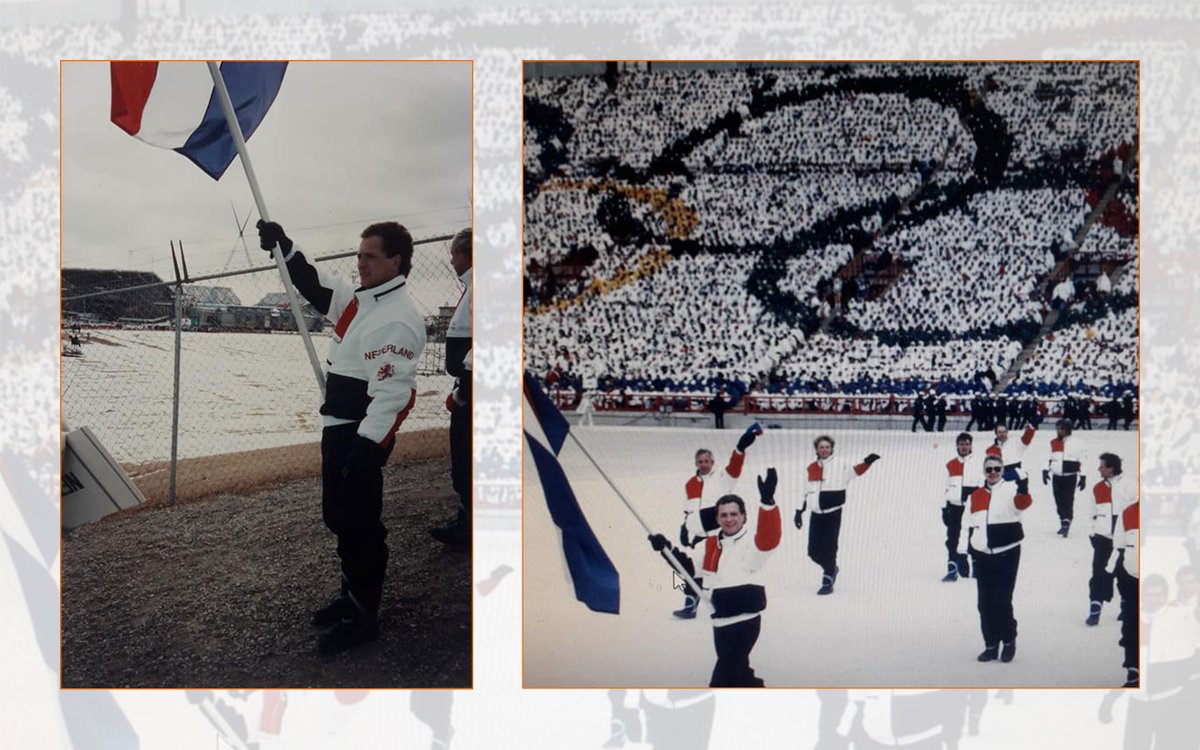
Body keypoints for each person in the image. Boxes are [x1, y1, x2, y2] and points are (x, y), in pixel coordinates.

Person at [257, 219, 426, 655]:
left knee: (361, 524)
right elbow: (317, 286)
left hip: (359, 435)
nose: (360, 262)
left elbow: (393, 394)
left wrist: (367, 449)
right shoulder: (361, 301)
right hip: (338, 427)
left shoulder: (397, 318)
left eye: (370, 256)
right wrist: (285, 249)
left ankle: (363, 614)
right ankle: (350, 594)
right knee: (339, 517)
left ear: (396, 261)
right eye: (359, 254)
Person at [652, 469, 782, 687]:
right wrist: (666, 549)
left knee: (723, 681)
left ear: (743, 516)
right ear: (717, 519)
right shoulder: (712, 545)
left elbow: (769, 539)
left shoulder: (751, 543)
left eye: (734, 514)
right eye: (724, 515)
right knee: (740, 677)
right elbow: (687, 573)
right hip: (720, 623)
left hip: (743, 623)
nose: (729, 519)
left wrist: (767, 502)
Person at [673, 423, 763, 618]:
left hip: (716, 536)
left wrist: (740, 448)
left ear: (712, 462)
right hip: (696, 535)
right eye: (700, 461)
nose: (704, 464)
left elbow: (734, 466)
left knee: (708, 573)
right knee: (678, 572)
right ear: (696, 463)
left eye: (707, 461)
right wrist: (684, 527)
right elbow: (688, 508)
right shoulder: (690, 484)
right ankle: (690, 598)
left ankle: (703, 602)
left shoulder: (722, 478)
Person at [962, 455, 1032, 663]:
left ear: (1002, 470)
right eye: (988, 469)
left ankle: (1009, 639)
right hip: (982, 554)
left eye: (997, 469)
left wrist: (1022, 485)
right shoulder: (975, 495)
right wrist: (962, 553)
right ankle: (990, 644)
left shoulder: (1011, 489)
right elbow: (967, 525)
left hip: (1007, 552)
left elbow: (1023, 504)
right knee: (984, 603)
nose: (992, 473)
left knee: (1002, 600)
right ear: (984, 472)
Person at [795, 435, 880, 595]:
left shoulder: (841, 464)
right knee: (813, 551)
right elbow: (805, 490)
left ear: (831, 448)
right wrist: (799, 511)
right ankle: (832, 568)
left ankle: (828, 576)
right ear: (817, 449)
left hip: (833, 513)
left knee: (829, 546)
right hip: (816, 514)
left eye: (827, 447)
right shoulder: (811, 467)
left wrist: (867, 462)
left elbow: (855, 471)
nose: (824, 450)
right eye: (821, 447)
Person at [432, 228, 473, 548]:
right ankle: (467, 519)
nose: (450, 259)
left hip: (472, 393)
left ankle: (469, 526)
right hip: (468, 387)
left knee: (466, 457)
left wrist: (461, 394)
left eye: (454, 254)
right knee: (463, 458)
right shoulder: (473, 286)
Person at [1085, 452, 1132, 626]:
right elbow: (1091, 513)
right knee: (1099, 573)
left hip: (1125, 540)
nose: (1099, 469)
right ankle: (1095, 608)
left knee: (1124, 574)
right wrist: (1092, 533)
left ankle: (1126, 605)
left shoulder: (1130, 486)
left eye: (1102, 466)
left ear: (1111, 468)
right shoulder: (1097, 488)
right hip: (1103, 538)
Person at [1106, 477, 1140, 686]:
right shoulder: (1128, 513)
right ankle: (1133, 669)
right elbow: (1119, 547)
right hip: (1131, 579)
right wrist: (1119, 577)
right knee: (1131, 625)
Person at [941, 433, 982, 582]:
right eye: (961, 444)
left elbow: (982, 485)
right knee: (952, 539)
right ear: (957, 446)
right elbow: (945, 487)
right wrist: (944, 508)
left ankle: (976, 569)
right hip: (954, 507)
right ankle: (952, 569)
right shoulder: (951, 464)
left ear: (971, 445)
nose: (964, 447)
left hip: (972, 508)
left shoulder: (978, 462)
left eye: (966, 444)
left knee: (973, 538)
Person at [1043, 418, 1085, 537]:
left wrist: (1083, 476)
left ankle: (1066, 522)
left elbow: (1083, 460)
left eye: (1060, 429)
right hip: (1056, 476)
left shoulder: (1077, 443)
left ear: (1067, 430)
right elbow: (1047, 457)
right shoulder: (1053, 442)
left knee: (1068, 499)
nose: (1057, 431)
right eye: (1057, 429)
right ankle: (1063, 521)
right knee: (1058, 499)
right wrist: (1045, 471)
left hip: (1070, 476)